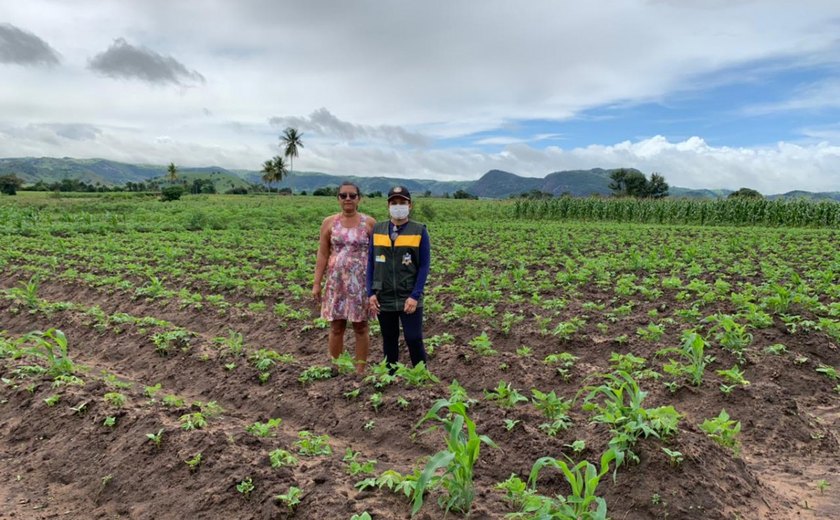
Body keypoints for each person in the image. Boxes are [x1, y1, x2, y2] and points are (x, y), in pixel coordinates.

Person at [313, 182, 376, 373]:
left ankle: (360, 371)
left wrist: (377, 286)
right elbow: (323, 254)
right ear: (338, 199)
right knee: (336, 326)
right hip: (336, 282)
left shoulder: (370, 223)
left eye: (352, 195)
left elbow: (377, 255)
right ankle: (337, 368)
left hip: (361, 283)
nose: (348, 199)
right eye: (343, 195)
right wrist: (317, 283)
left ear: (359, 198)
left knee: (361, 326)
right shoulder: (329, 223)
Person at [366, 186, 431, 369]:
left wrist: (415, 295)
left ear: (410, 205)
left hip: (408, 295)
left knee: (414, 338)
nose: (398, 206)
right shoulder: (378, 229)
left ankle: (420, 376)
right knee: (389, 339)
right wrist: (370, 292)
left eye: (402, 202)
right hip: (383, 295)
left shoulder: (419, 231)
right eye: (394, 203)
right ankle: (390, 376)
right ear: (388, 205)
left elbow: (424, 266)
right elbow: (370, 263)